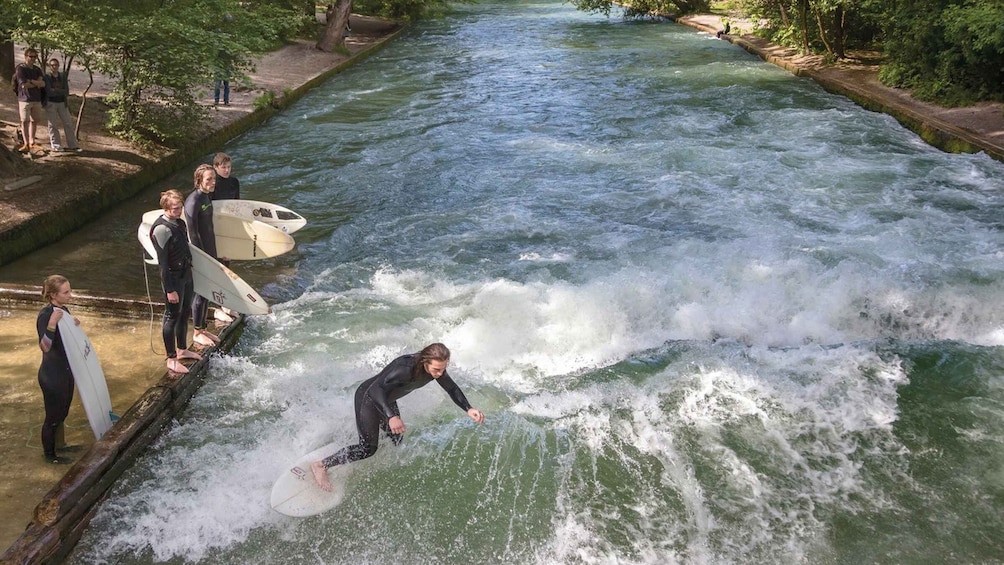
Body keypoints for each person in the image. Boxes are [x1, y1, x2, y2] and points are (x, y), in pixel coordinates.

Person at [310, 343, 485, 491]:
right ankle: (321, 465)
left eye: (443, 369)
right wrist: (391, 416)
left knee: (396, 438)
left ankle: (361, 441)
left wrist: (468, 409)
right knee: (368, 449)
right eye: (436, 370)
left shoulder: (435, 370)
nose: (440, 374)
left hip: (387, 399)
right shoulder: (404, 369)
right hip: (369, 398)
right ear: (425, 361)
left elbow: (452, 388)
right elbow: (375, 389)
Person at [150, 189, 203, 374]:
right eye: (174, 209)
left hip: (185, 274)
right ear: (165, 208)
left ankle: (182, 349)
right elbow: (162, 265)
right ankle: (171, 358)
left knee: (185, 312)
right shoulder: (161, 229)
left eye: (180, 207)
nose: (178, 211)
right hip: (173, 278)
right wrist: (169, 290)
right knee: (172, 316)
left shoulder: (179, 223)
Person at [36, 275, 78, 464]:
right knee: (53, 417)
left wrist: (73, 325)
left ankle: (61, 445)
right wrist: (52, 323)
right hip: (52, 375)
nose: (70, 295)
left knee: (63, 413)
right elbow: (45, 346)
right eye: (66, 292)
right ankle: (50, 456)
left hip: (66, 371)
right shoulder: (45, 315)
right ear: (53, 295)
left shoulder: (64, 310)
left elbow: (67, 339)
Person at [184, 164, 225, 346]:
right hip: (201, 253)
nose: (213, 182)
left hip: (210, 250)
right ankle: (197, 332)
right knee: (200, 291)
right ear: (199, 181)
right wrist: (201, 257)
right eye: (209, 179)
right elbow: (192, 232)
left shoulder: (206, 197)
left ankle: (203, 329)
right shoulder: (193, 201)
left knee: (207, 290)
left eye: (214, 178)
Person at [211, 152, 240, 323]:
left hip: (228, 227)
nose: (227, 170)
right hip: (214, 230)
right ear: (215, 167)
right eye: (223, 167)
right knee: (215, 268)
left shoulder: (234, 182)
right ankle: (216, 306)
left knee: (226, 267)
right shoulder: (212, 185)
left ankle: (225, 303)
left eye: (229, 167)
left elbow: (237, 205)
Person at [42, 58, 82, 153]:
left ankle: (73, 145)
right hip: (51, 103)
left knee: (68, 123)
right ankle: (56, 145)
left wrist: (55, 91)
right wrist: (58, 91)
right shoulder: (47, 77)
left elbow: (66, 91)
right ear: (49, 66)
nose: (54, 67)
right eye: (52, 65)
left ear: (58, 66)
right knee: (53, 124)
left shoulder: (62, 76)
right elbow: (48, 91)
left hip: (62, 103)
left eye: (56, 65)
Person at [15, 48, 46, 153]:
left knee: (34, 121)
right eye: (30, 56)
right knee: (24, 121)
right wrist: (35, 83)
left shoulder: (37, 69)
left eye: (34, 57)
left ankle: (32, 142)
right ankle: (25, 142)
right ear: (25, 56)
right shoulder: (21, 68)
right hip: (24, 99)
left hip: (36, 99)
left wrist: (31, 81)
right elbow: (24, 85)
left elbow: (42, 84)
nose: (32, 59)